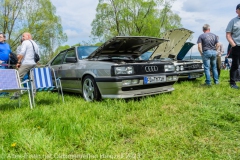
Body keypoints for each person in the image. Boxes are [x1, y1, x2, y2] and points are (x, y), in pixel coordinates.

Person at [11, 32, 39, 99]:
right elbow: (38, 56)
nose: (22, 38)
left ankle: (16, 95)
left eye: (23, 36)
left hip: (26, 63)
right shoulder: (35, 44)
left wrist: (18, 62)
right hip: (33, 64)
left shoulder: (25, 42)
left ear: (28, 36)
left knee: (17, 77)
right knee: (32, 79)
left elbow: (22, 53)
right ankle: (33, 95)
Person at [226, 3, 240, 89]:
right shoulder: (233, 21)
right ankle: (232, 83)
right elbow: (228, 35)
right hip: (237, 46)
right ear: (237, 11)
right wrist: (234, 45)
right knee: (235, 64)